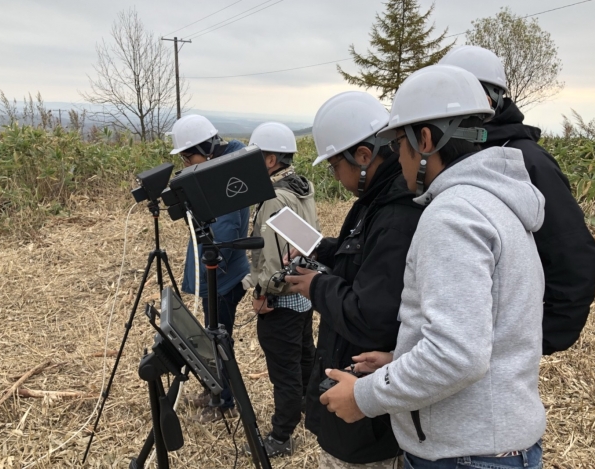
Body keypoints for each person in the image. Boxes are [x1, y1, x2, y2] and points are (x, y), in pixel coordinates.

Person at [321, 65, 546, 469]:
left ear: (424, 140)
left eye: (399, 145)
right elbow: (481, 333)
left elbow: (456, 356)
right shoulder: (499, 202)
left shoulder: (453, 216)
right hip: (496, 442)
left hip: (463, 454)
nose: (398, 159)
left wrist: (363, 396)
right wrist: (401, 356)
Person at [284, 91, 423, 468]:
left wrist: (316, 285)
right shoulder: (378, 199)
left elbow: (371, 315)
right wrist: (322, 249)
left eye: (333, 166)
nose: (334, 175)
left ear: (363, 156)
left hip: (367, 415)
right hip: (358, 394)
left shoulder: (395, 214)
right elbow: (363, 256)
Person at [439, 45, 595, 355]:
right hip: (453, 339)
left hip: (490, 351)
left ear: (486, 101)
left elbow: (573, 256)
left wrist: (535, 339)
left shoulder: (527, 161)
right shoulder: (454, 157)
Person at [240, 122, 320, 457]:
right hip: (302, 297)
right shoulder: (302, 188)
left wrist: (262, 294)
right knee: (304, 359)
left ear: (270, 160)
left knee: (284, 372)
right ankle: (309, 407)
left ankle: (280, 436)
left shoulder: (273, 199)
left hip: (282, 301)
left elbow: (273, 262)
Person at [169, 114, 250, 423]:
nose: (187, 164)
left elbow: (226, 231)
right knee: (213, 335)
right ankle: (217, 390)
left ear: (203, 150)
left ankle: (225, 400)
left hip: (223, 277)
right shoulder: (222, 169)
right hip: (219, 273)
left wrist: (210, 273)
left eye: (187, 157)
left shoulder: (225, 177)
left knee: (220, 339)